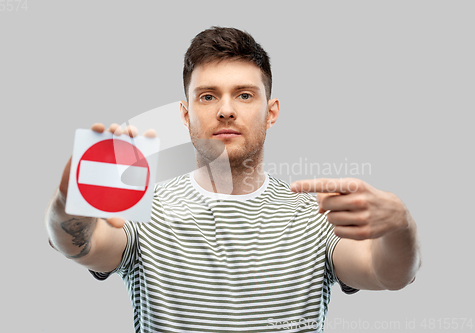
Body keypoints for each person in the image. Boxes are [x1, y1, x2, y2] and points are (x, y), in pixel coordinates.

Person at [45, 26, 421, 332]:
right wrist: (69, 201)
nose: (225, 110)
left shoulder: (314, 215)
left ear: (271, 112)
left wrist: (401, 225)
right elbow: (80, 244)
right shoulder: (145, 208)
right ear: (185, 113)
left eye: (244, 95)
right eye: (207, 97)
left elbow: (388, 273)